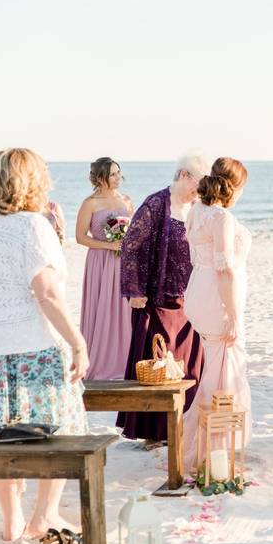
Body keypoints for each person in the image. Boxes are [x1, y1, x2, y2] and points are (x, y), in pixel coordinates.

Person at [0, 148, 88, 541]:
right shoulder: (32, 226)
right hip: (32, 345)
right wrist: (77, 342)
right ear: (33, 182)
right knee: (59, 432)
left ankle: (11, 522)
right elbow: (46, 292)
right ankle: (43, 516)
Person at [116, 152, 210, 444]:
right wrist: (134, 290)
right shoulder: (156, 203)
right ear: (183, 175)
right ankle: (152, 434)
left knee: (189, 364)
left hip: (189, 298)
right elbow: (131, 245)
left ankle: (182, 426)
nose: (199, 190)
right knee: (157, 362)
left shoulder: (197, 207)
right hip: (156, 299)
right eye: (197, 183)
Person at [181, 158, 252, 472]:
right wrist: (235, 316)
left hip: (198, 290)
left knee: (215, 369)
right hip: (216, 297)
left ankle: (205, 446)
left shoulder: (197, 210)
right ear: (234, 187)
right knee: (224, 376)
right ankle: (213, 453)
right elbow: (225, 269)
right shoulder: (221, 216)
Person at [76, 157, 134, 380]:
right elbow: (80, 237)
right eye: (112, 174)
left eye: (119, 173)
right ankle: (99, 362)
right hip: (99, 262)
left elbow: (133, 231)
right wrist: (108, 245)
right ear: (100, 177)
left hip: (123, 261)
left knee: (123, 310)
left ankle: (124, 361)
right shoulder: (90, 203)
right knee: (101, 308)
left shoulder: (127, 201)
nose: (118, 178)